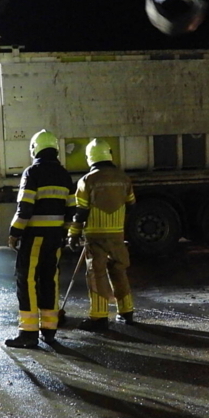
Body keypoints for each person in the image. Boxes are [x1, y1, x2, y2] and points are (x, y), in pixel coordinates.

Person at [4, 130, 75, 349]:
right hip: (55, 238)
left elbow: (25, 208)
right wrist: (64, 233)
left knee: (27, 281)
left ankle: (28, 333)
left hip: (34, 236)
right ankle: (49, 330)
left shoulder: (32, 172)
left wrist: (14, 232)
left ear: (35, 149)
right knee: (49, 280)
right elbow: (71, 210)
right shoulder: (64, 174)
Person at [68, 139, 137, 331]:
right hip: (117, 235)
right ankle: (127, 312)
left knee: (96, 274)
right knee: (119, 271)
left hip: (95, 236)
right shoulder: (123, 178)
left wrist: (73, 234)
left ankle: (99, 318)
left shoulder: (87, 180)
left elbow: (81, 211)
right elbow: (131, 204)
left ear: (90, 157)